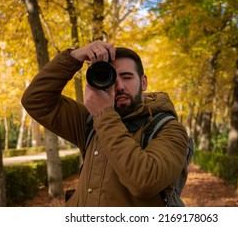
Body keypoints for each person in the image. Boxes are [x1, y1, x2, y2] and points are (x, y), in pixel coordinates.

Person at [21, 41, 188, 207]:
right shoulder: (90, 121)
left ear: (143, 82)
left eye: (127, 77)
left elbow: (144, 182)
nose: (119, 86)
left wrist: (104, 115)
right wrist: (75, 56)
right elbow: (36, 100)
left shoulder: (169, 128)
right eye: (112, 77)